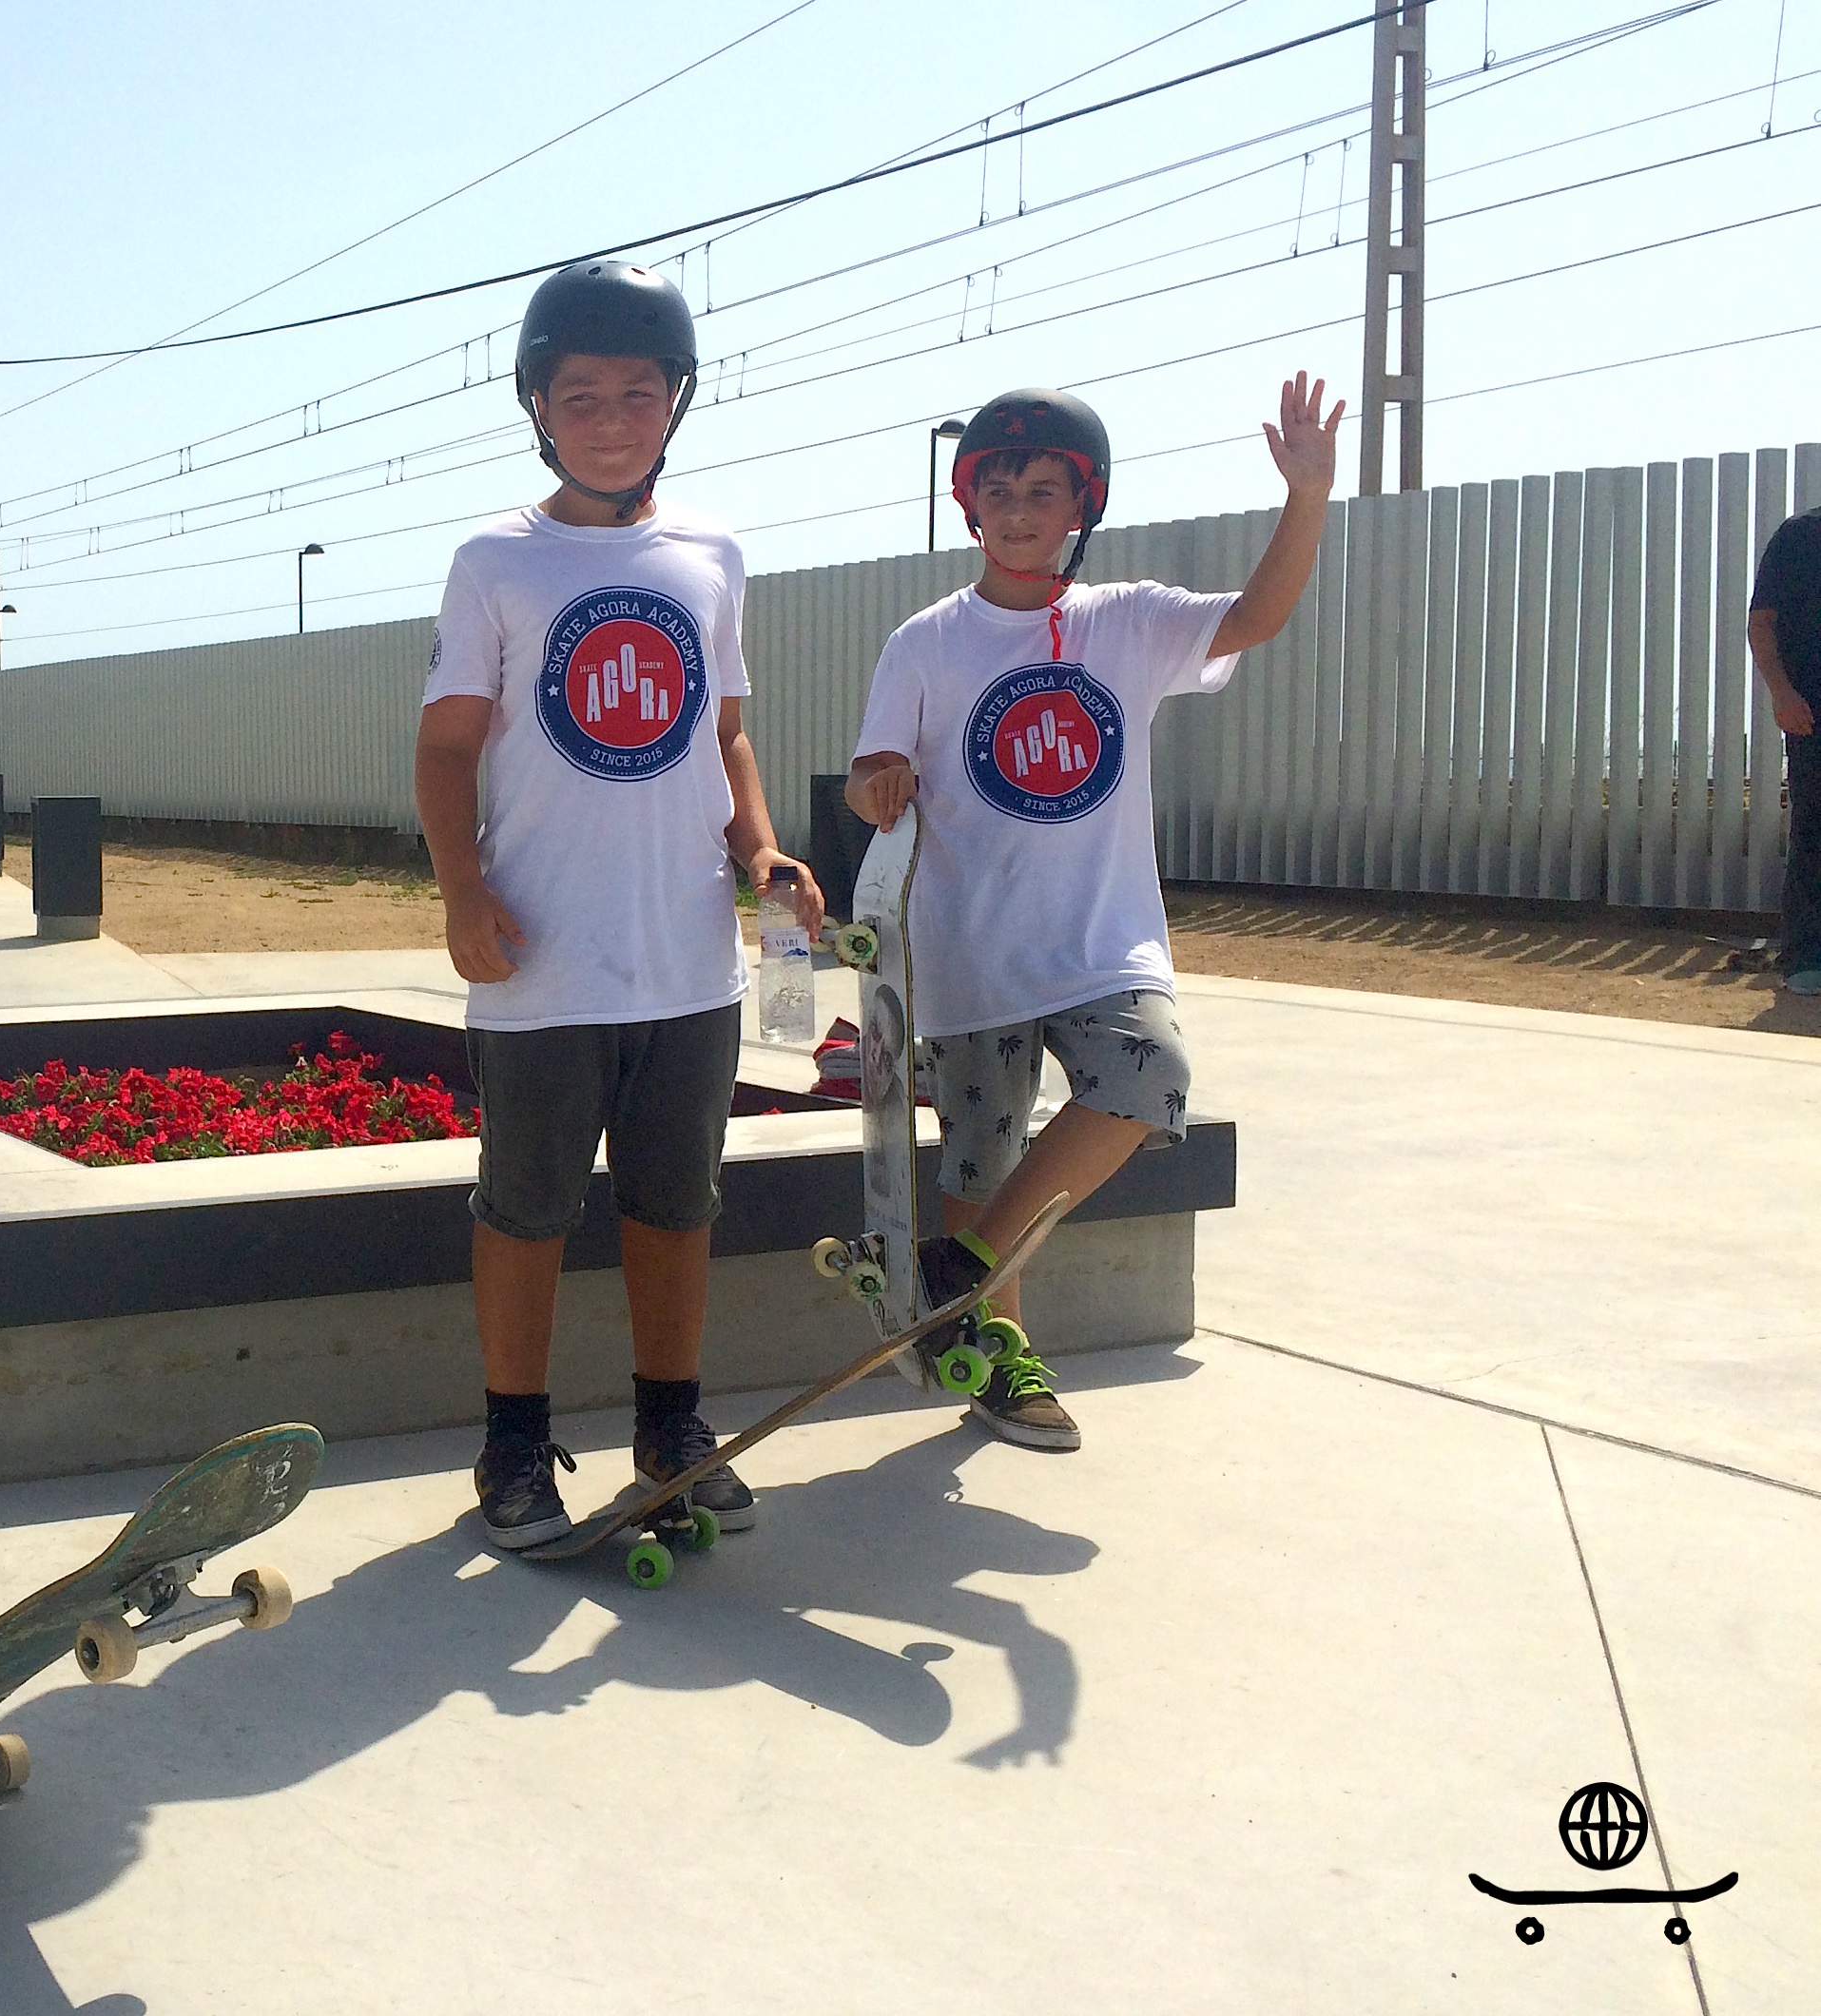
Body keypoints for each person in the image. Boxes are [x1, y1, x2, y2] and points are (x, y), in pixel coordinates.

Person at [844, 377, 1340, 1450]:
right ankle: (999, 1355)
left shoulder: (1127, 622)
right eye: (999, 489)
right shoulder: (924, 641)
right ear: (969, 506)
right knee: (976, 1165)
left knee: (1146, 1071)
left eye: (1044, 489)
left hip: (1103, 943)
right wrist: (877, 783)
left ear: (1082, 508)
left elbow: (1254, 616)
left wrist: (1305, 496)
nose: (1020, 510)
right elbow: (869, 768)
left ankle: (964, 1273)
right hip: (971, 950)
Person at [415, 258, 824, 1550]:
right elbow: (443, 750)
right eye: (578, 393)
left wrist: (762, 858)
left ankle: (670, 1426)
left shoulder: (712, 556)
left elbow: (729, 739)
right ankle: (513, 1444)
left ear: (675, 404)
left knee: (676, 1205)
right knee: (524, 1211)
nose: (608, 416)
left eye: (637, 393)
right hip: (541, 958)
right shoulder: (495, 560)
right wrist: (462, 892)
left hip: (688, 958)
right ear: (537, 407)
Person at [1746, 508, 1821, 995]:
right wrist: (1780, 693)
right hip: (1812, 713)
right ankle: (1805, 958)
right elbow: (1761, 624)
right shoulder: (1799, 536)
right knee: (1814, 830)